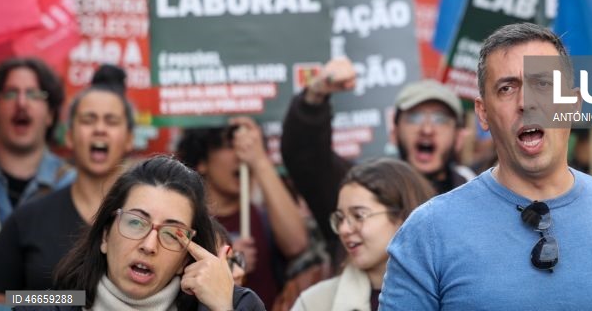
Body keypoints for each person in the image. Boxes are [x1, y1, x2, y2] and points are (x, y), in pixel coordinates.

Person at [380, 22, 592, 310]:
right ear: (483, 114)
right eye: (507, 88)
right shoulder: (428, 232)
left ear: (574, 105)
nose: (526, 102)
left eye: (543, 84)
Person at [280, 57, 471, 259]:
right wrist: (315, 96)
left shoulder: (478, 193)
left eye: (440, 119)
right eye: (414, 117)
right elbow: (307, 159)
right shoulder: (363, 187)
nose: (426, 129)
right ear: (394, 132)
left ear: (459, 137)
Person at [21, 155, 264, 310]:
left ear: (185, 260)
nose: (149, 245)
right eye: (136, 223)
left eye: (172, 234)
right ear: (105, 236)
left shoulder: (237, 305)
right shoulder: (54, 302)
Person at [0, 64, 134, 294]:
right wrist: (64, 302)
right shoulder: (27, 219)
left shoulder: (151, 220)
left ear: (129, 138)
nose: (99, 129)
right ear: (69, 136)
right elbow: (2, 300)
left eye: (111, 121)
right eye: (88, 120)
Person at [177, 117, 308, 308]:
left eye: (249, 145)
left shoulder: (266, 218)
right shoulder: (188, 224)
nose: (241, 153)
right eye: (230, 144)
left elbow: (297, 244)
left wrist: (260, 160)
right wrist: (229, 264)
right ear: (202, 160)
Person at [291, 158, 434, 311]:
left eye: (358, 215)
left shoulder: (451, 293)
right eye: (340, 218)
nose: (344, 229)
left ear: (403, 218)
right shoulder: (315, 303)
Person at [0, 57, 75, 229]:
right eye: (11, 93)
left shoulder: (72, 186)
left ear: (50, 115)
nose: (21, 103)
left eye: (33, 94)